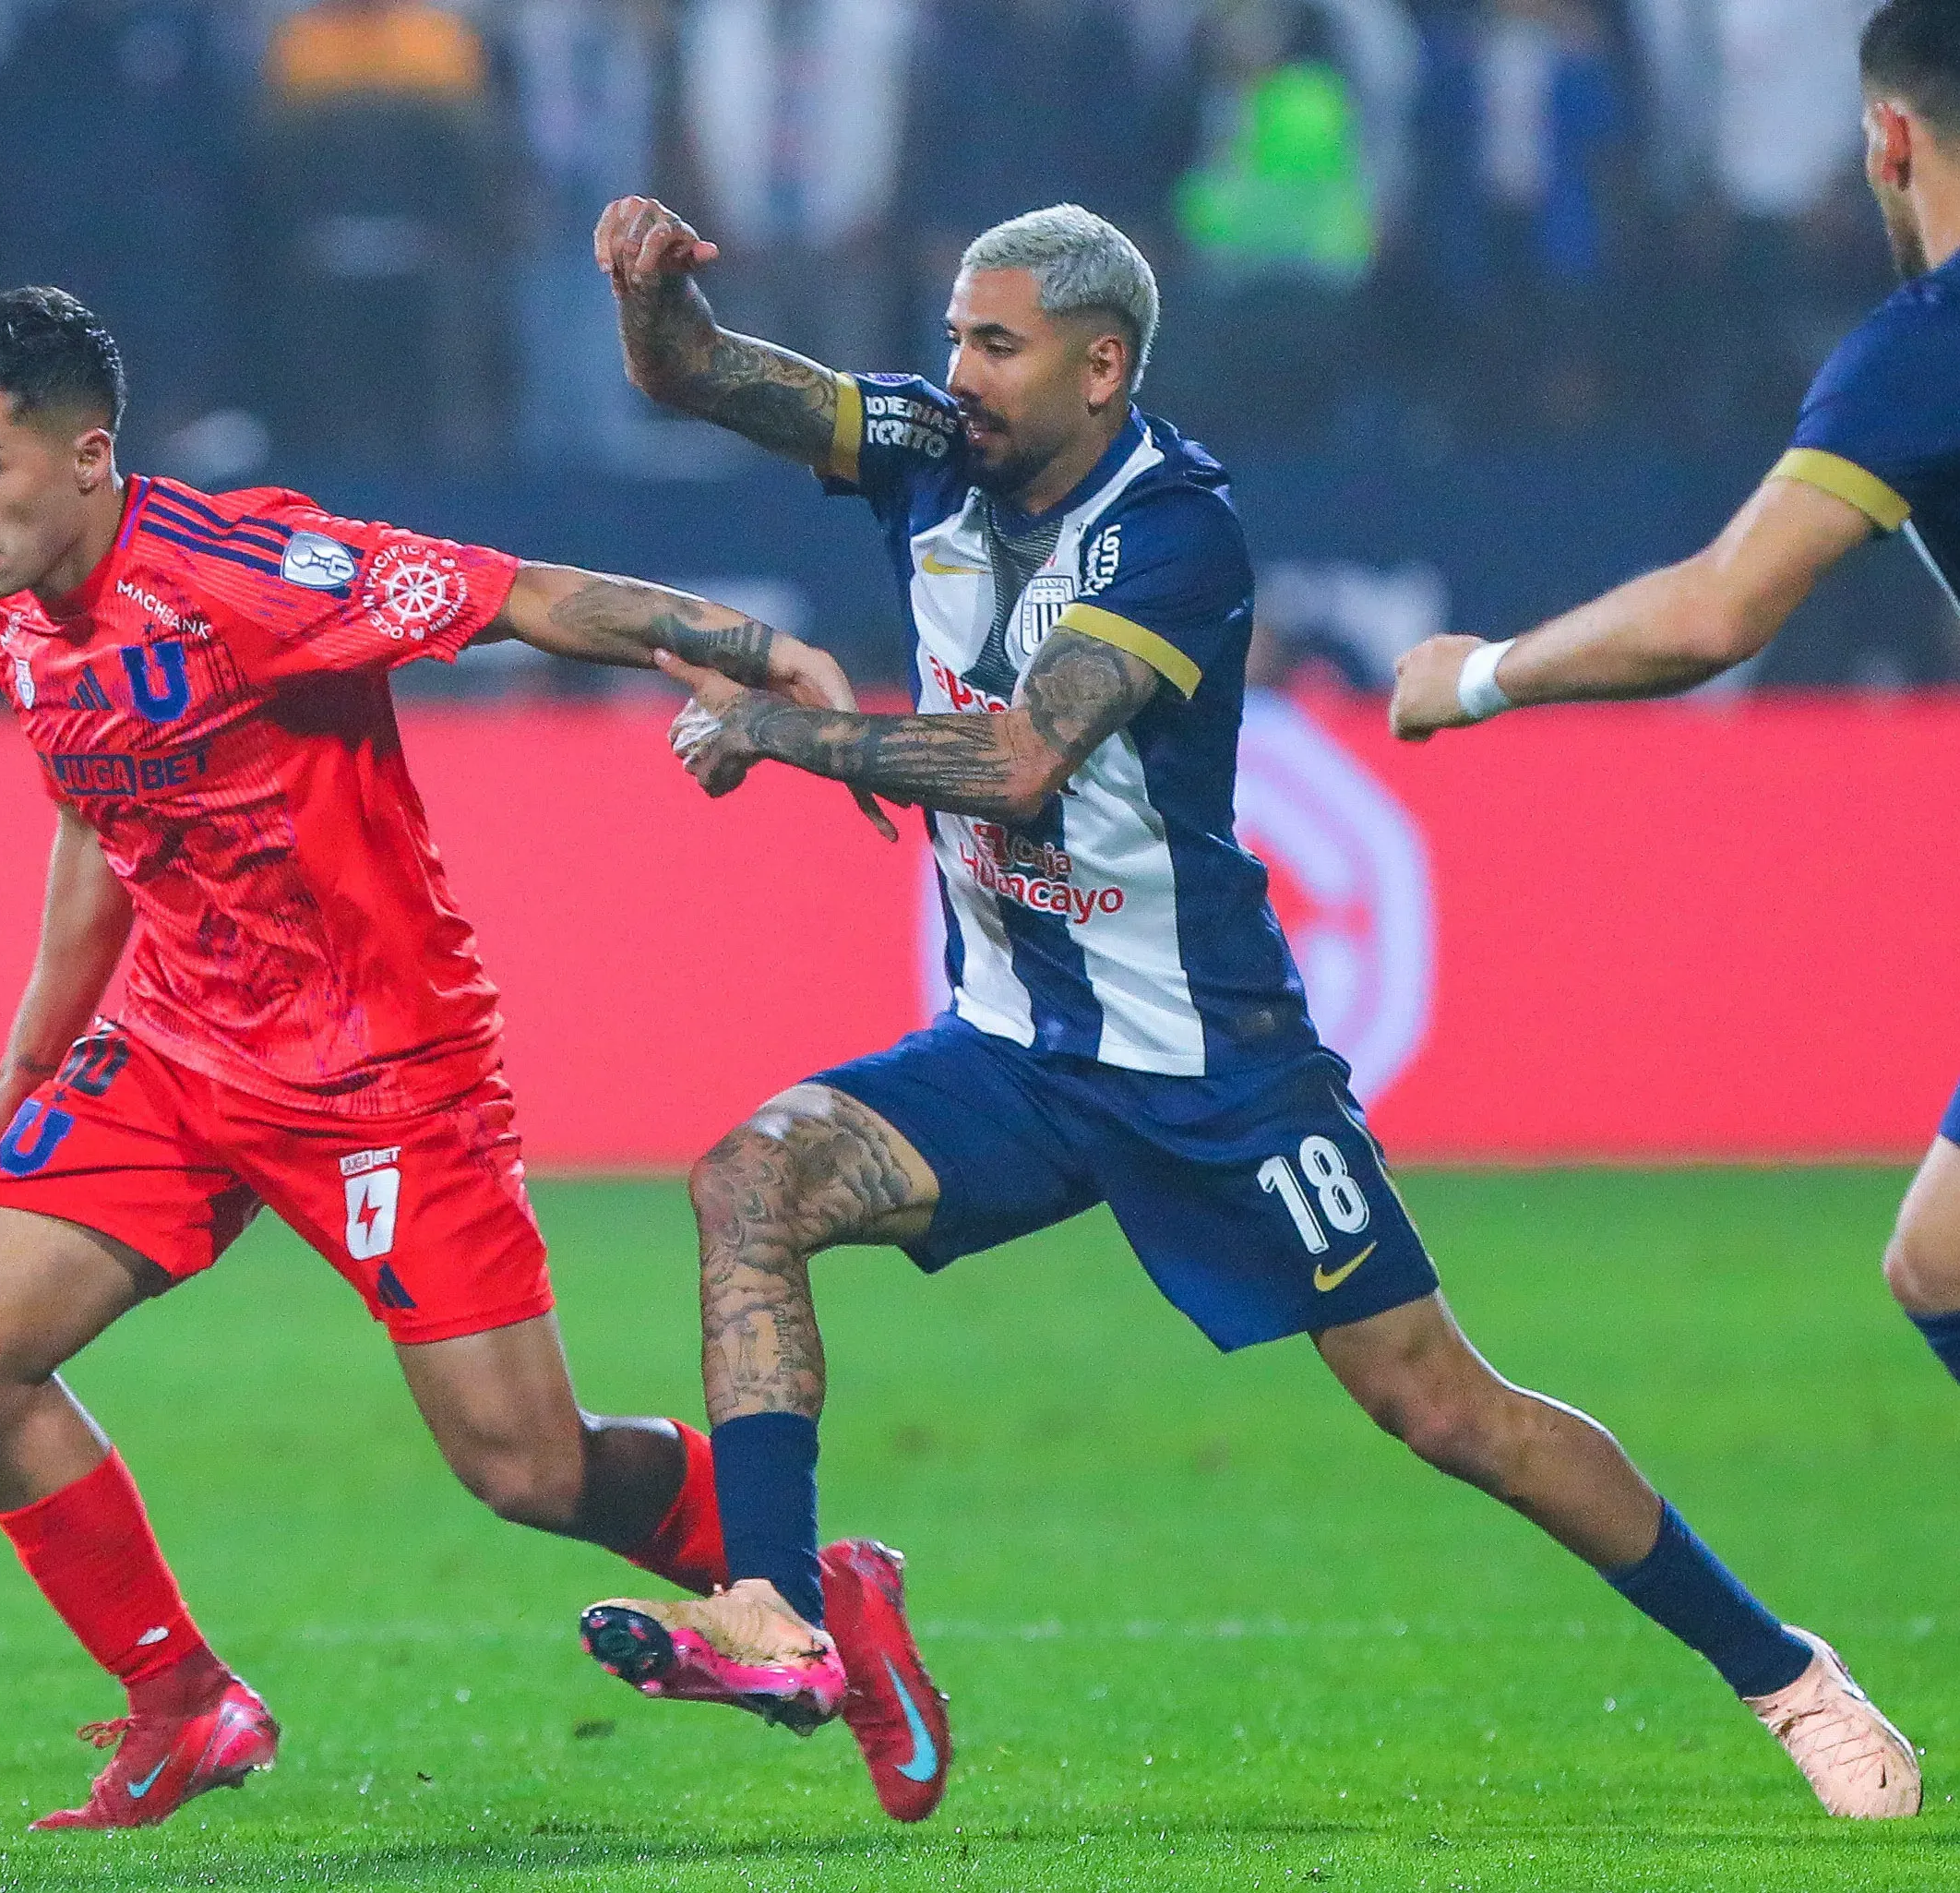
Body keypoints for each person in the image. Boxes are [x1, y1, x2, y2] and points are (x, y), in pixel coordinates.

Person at [574, 194, 1923, 1823]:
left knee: (1445, 1404)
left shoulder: (1176, 529)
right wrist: (652, 299)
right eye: (952, 336)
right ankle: (781, 1612)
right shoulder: (933, 445)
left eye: (994, 345)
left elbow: (1018, 763)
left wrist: (784, 734)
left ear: (1100, 365)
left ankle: (1780, 1666)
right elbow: (702, 376)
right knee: (751, 1176)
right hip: (1014, 1049)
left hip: (1215, 1066)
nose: (957, 373)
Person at [0, 285, 878, 1833]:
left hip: (376, 1071)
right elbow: (98, 807)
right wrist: (28, 1060)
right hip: (172, 1047)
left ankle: (803, 1584)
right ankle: (186, 1703)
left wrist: (741, 643)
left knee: (528, 1470)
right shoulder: (16, 611)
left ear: (87, 455)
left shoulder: (244, 568)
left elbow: (516, 593)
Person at [1392, 0, 1960, 1434]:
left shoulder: (1924, 348)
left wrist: (1478, 673)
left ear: (1888, 139)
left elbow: (1718, 607)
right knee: (1940, 1256)